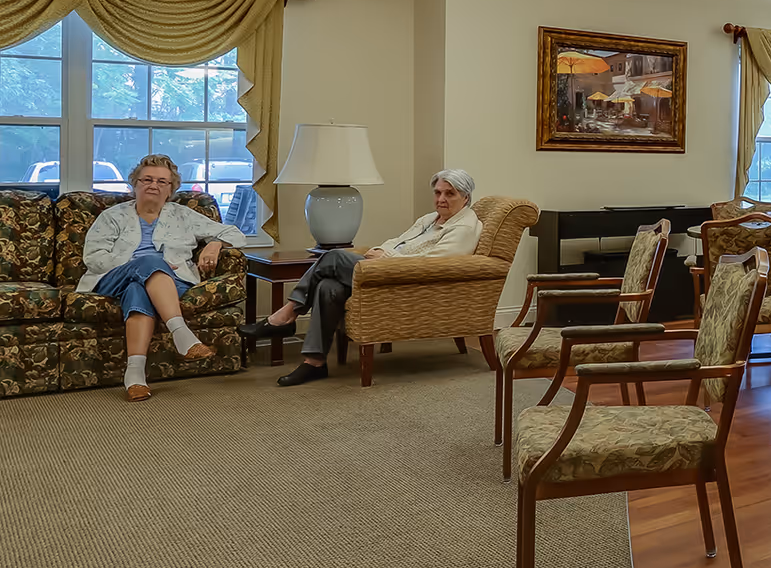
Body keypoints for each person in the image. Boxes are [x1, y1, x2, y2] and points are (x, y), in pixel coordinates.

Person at [239, 169, 482, 387]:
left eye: (450, 194)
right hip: (385, 268)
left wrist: (384, 259)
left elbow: (433, 265)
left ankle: (287, 314)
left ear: (466, 198)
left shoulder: (464, 228)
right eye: (438, 192)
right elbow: (395, 242)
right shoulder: (428, 219)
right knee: (328, 286)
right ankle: (314, 363)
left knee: (333, 256)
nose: (441, 199)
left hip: (404, 281)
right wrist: (377, 252)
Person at [78, 153, 249, 402]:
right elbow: (93, 257)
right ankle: (181, 333)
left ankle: (135, 376)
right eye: (146, 179)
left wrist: (215, 244)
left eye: (161, 181)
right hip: (112, 277)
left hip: (170, 282)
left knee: (138, 291)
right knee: (150, 262)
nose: (153, 185)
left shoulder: (183, 215)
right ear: (134, 184)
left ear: (171, 189)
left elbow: (234, 233)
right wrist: (138, 264)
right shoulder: (113, 216)